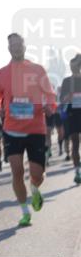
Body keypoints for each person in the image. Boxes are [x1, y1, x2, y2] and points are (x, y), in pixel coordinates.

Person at [0, 33, 58, 228]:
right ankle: (24, 211)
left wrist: (50, 107)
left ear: (24, 46)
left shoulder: (37, 70)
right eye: (12, 45)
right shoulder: (1, 74)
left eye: (18, 44)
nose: (16, 48)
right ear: (8, 48)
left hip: (36, 128)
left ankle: (35, 187)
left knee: (37, 174)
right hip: (12, 129)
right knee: (17, 170)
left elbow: (50, 95)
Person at [60, 54, 81, 184]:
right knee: (75, 144)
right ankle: (77, 171)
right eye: (71, 66)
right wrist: (69, 96)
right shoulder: (67, 81)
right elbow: (62, 100)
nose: (73, 69)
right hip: (73, 115)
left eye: (75, 66)